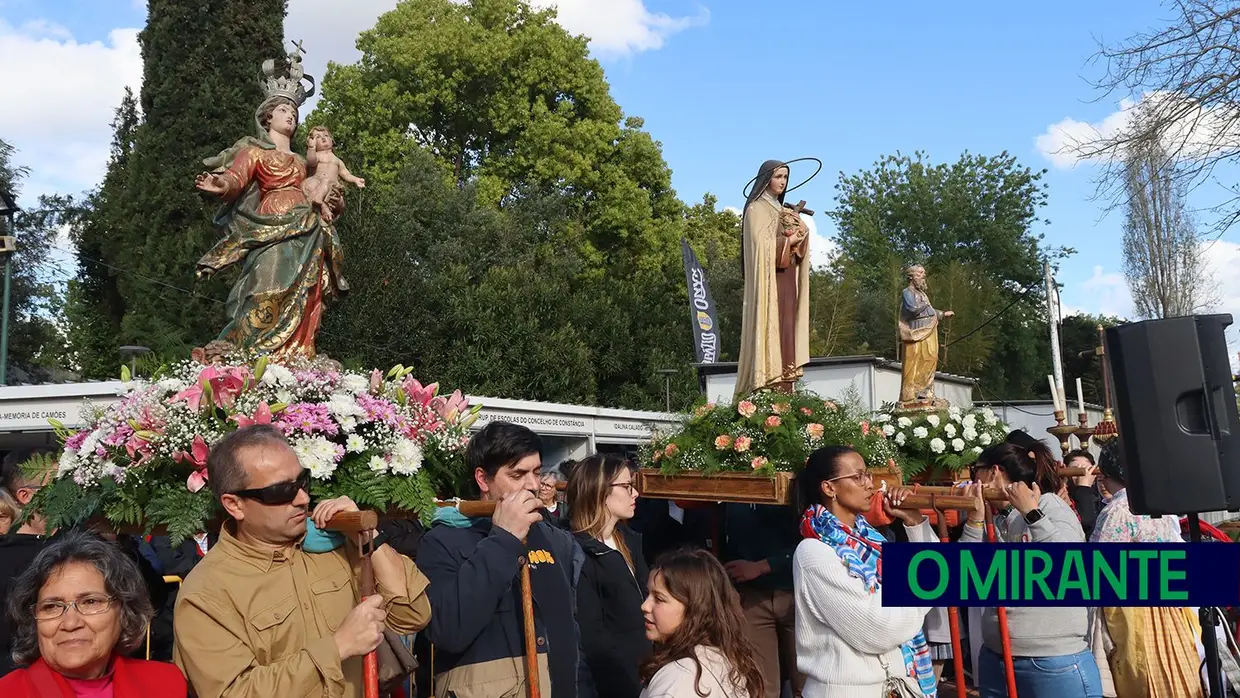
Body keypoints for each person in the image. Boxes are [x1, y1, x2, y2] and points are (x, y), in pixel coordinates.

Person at [173, 424, 431, 698]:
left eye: (302, 482)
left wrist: (366, 534)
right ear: (234, 505)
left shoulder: (334, 545)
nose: (302, 499)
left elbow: (412, 614)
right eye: (281, 491)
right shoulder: (206, 592)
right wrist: (337, 646)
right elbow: (234, 692)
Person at [418, 421, 594, 698]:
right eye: (517, 474)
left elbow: (573, 634)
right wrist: (504, 539)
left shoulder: (556, 540)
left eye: (536, 472)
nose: (533, 485)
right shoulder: (443, 541)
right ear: (482, 479)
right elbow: (448, 631)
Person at [194, 46, 347, 358]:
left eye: (294, 113)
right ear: (267, 117)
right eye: (283, 112)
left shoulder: (306, 162)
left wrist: (334, 198)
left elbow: (324, 189)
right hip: (270, 225)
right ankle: (248, 352)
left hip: (308, 224)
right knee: (267, 280)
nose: (290, 116)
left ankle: (297, 353)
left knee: (306, 289)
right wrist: (219, 184)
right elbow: (236, 179)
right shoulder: (255, 151)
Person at [791, 445, 939, 697]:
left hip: (892, 685)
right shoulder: (814, 553)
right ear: (829, 488)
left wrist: (914, 522)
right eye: (858, 476)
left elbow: (937, 574)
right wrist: (922, 589)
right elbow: (878, 629)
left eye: (868, 475)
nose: (870, 484)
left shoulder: (871, 541)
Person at [961, 442, 1103, 697]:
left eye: (976, 470)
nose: (974, 478)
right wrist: (973, 521)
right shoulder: (991, 516)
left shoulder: (1049, 506)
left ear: (993, 472)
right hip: (996, 657)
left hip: (1051, 662)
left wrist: (1031, 513)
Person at [0, 530, 186, 697]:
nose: (71, 623)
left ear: (125, 610)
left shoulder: (165, 684)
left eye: (90, 602)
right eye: (52, 607)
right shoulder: (9, 692)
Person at [1088, 442, 1204, 698]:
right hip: (1171, 605)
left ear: (1105, 475)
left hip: (1136, 612)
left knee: (1142, 675)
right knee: (1178, 671)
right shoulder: (1158, 505)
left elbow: (1100, 568)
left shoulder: (1118, 511)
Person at [567, 454, 650, 698]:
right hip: (617, 683)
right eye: (626, 486)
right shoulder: (578, 552)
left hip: (645, 670)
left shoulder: (629, 541)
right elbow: (594, 638)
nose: (635, 494)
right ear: (599, 490)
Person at [639, 548, 764, 698]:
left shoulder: (678, 683)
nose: (645, 606)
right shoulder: (722, 659)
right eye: (648, 594)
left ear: (694, 608)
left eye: (659, 599)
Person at [735, 159, 810, 397]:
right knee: (773, 326)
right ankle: (768, 382)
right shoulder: (756, 209)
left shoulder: (782, 210)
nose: (782, 182)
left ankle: (786, 385)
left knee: (787, 327)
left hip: (787, 278)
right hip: (770, 282)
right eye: (778, 176)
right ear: (766, 179)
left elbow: (797, 246)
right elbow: (759, 247)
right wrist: (787, 242)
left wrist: (800, 235)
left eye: (785, 178)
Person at [721, 501, 804, 698]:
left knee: (807, 686)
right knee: (762, 689)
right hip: (752, 597)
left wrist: (764, 565)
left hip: (796, 595)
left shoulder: (884, 543)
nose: (868, 487)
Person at [898, 265, 954, 405]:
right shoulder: (907, 292)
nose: (923, 276)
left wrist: (942, 314)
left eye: (924, 273)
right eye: (920, 273)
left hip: (929, 329)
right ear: (911, 276)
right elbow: (912, 309)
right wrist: (925, 306)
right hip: (917, 330)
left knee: (931, 358)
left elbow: (928, 310)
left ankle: (925, 392)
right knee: (916, 359)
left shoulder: (922, 294)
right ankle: (911, 394)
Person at [302, 125, 365, 221]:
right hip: (316, 182)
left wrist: (356, 180)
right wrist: (311, 148)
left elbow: (345, 174)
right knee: (326, 181)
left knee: (341, 203)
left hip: (332, 188)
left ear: (332, 141)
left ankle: (327, 211)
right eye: (318, 137)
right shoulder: (318, 155)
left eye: (326, 135)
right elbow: (311, 162)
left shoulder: (337, 160)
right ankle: (318, 200)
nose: (323, 138)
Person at [1064, 448, 1104, 537]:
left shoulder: (1103, 497)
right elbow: (1084, 523)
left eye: (1088, 470)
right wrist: (1083, 488)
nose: (1082, 475)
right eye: (1075, 470)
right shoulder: (1062, 497)